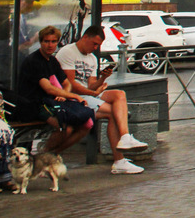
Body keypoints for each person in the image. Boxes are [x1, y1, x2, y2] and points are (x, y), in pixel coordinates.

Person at [57, 25, 147, 174]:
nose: (95, 47)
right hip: (73, 97)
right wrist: (92, 93)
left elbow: (92, 85)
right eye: (94, 43)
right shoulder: (68, 52)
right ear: (85, 37)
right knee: (114, 114)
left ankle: (125, 137)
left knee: (119, 94)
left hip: (88, 94)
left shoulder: (92, 58)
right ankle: (119, 160)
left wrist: (103, 78)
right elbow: (70, 84)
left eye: (98, 45)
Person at [16, 26, 94, 156]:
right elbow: (48, 88)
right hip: (33, 104)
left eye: (53, 41)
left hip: (50, 103)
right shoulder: (34, 61)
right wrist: (74, 96)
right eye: (46, 41)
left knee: (85, 125)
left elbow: (66, 83)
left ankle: (52, 154)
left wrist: (63, 95)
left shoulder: (52, 60)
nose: (50, 45)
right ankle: (43, 155)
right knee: (65, 128)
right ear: (41, 42)